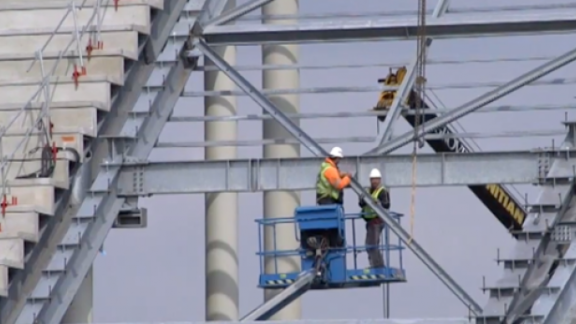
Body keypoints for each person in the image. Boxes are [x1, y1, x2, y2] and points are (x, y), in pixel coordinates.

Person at [358, 168, 391, 268]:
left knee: (371, 245)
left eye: (376, 179)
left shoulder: (382, 191)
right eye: (373, 179)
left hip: (377, 222)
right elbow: (361, 204)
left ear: (380, 180)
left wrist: (379, 203)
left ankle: (378, 265)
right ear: (370, 180)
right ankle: (375, 264)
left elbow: (387, 205)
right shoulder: (368, 191)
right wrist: (363, 198)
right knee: (371, 244)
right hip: (370, 222)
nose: (375, 181)